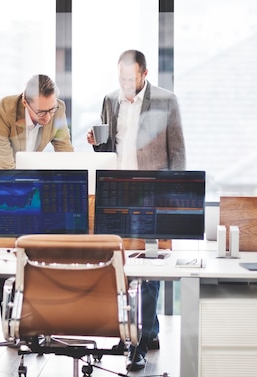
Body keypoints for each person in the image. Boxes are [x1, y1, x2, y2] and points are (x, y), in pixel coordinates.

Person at [87, 49, 186, 371]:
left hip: (152, 194)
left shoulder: (166, 101)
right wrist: (95, 142)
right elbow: (107, 148)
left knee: (149, 268)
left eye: (130, 79)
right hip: (118, 192)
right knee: (122, 266)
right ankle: (144, 331)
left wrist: (174, 196)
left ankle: (138, 342)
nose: (125, 85)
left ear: (144, 74)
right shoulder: (110, 99)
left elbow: (178, 151)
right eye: (121, 79)